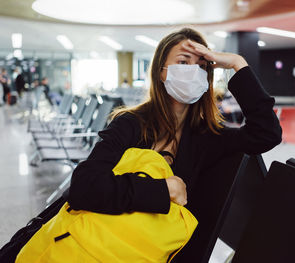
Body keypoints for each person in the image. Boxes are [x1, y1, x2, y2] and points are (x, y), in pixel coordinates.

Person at [68, 28, 282, 261]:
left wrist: (237, 64)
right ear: (162, 72)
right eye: (183, 61)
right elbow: (83, 187)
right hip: (109, 246)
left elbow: (267, 133)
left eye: (202, 65)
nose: (193, 71)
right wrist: (164, 189)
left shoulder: (207, 136)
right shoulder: (130, 124)